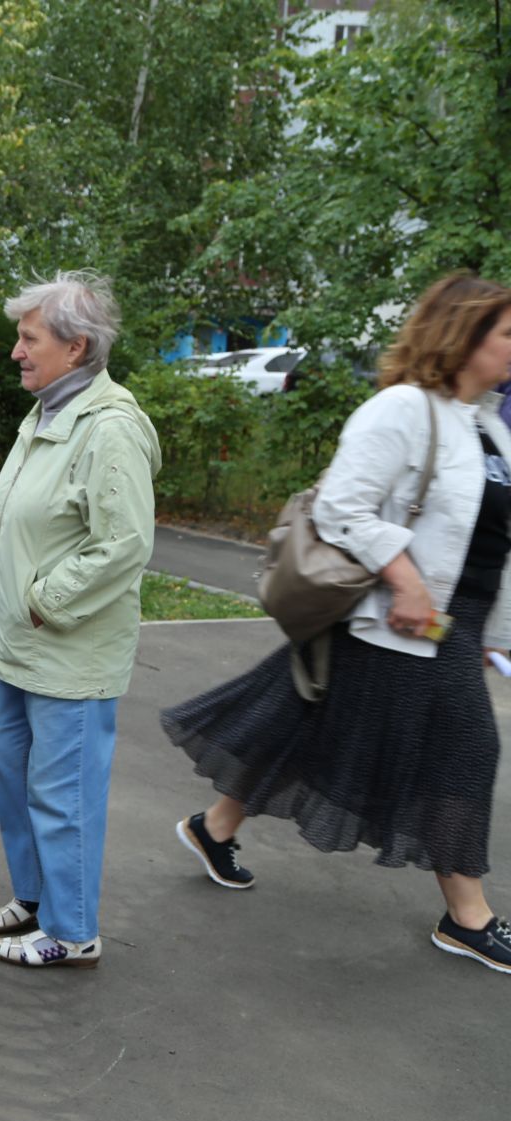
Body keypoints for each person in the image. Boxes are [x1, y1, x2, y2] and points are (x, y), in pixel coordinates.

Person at [163, 273, 511, 976]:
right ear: (462, 334)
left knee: (310, 722)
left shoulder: (490, 425)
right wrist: (408, 582)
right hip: (400, 619)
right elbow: (342, 508)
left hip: (454, 623)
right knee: (468, 750)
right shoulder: (405, 410)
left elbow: (495, 545)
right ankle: (467, 916)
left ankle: (214, 827)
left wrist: (494, 636)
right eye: (505, 332)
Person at [0, 272, 159, 968]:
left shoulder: (110, 427)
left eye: (29, 339)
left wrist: (43, 598)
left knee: (63, 792)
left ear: (75, 346)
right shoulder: (47, 411)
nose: (17, 352)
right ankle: (36, 900)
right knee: (9, 769)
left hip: (68, 649)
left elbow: (124, 544)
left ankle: (71, 930)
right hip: (21, 647)